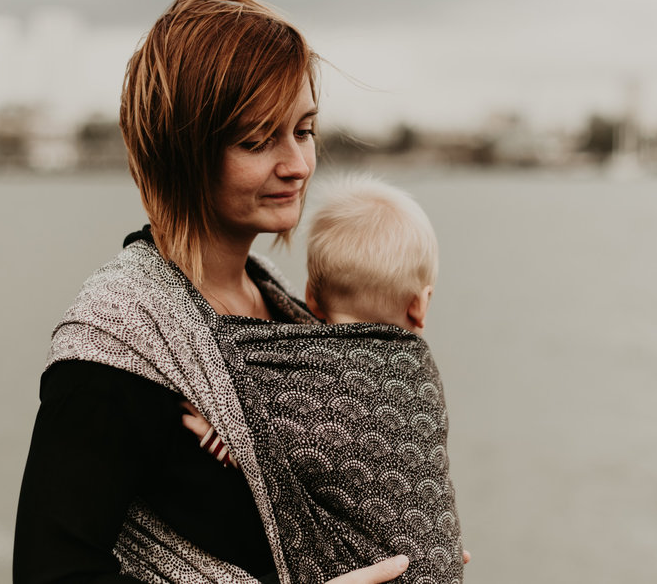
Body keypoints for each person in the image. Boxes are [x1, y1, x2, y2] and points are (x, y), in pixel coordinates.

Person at [13, 0, 424, 584]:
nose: (297, 164)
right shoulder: (119, 338)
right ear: (184, 150)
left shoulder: (289, 313)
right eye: (258, 140)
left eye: (304, 131)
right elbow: (51, 573)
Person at [183, 176, 464, 584]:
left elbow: (259, 438)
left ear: (310, 295)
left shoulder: (288, 368)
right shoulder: (421, 376)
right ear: (419, 305)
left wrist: (216, 437)